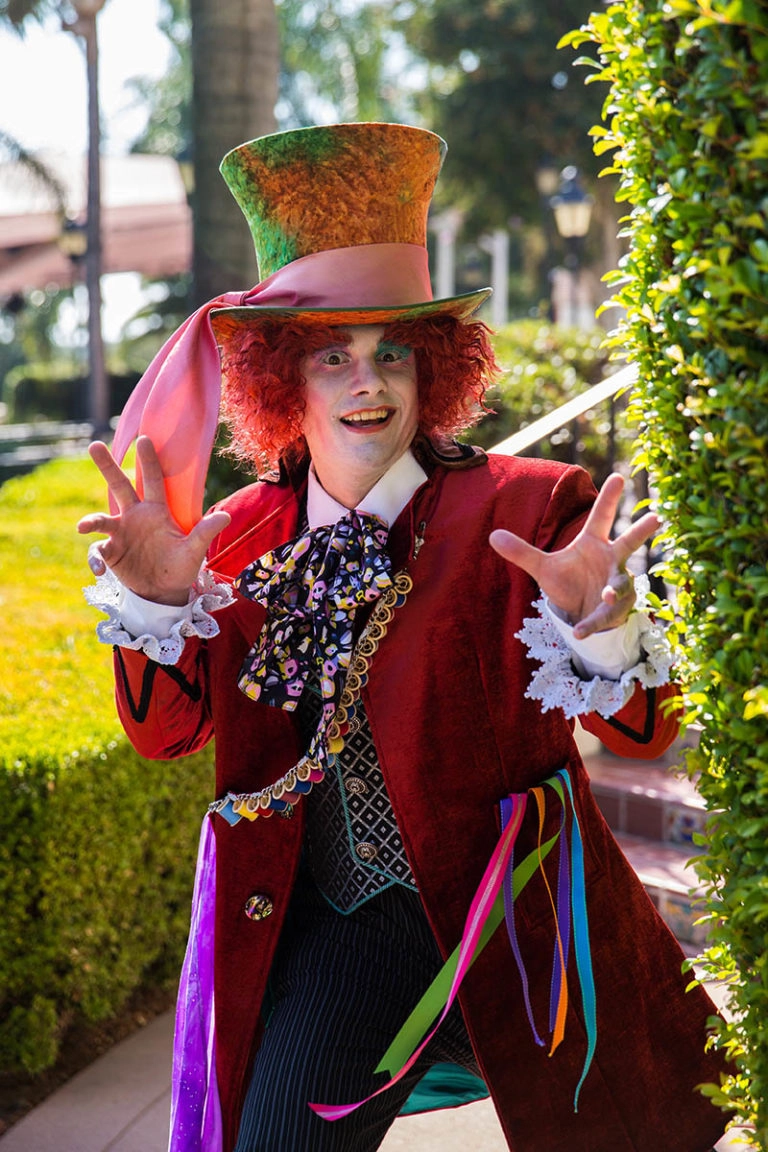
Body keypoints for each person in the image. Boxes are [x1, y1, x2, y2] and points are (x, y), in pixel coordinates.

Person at [78, 123, 726, 1152]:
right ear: (284, 382)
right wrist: (154, 609)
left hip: (523, 933)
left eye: (393, 353)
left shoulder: (529, 511)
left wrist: (597, 629)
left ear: (434, 371)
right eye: (331, 357)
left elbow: (645, 736)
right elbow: (167, 737)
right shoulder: (233, 539)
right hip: (344, 932)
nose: (367, 381)